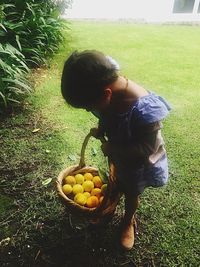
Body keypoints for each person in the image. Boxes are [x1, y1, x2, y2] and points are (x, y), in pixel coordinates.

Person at [61, 50, 171, 250]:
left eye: (88, 106)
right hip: (119, 159)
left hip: (137, 164)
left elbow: (148, 147)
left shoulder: (145, 110)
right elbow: (105, 114)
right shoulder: (107, 92)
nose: (89, 110)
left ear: (106, 94)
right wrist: (102, 128)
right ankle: (109, 208)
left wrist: (114, 147)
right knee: (114, 184)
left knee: (130, 191)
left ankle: (128, 220)